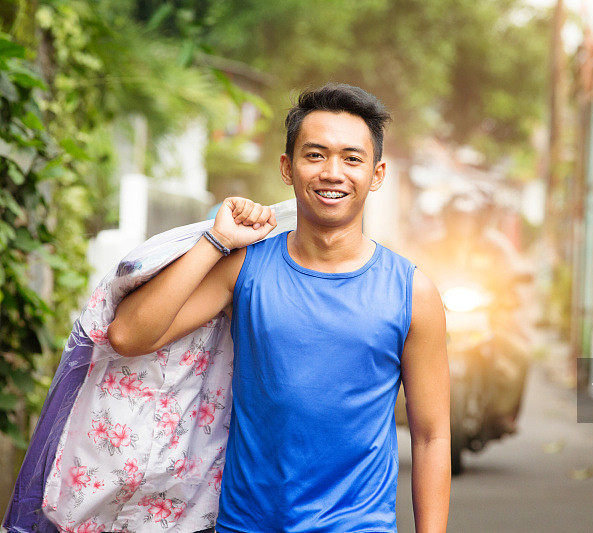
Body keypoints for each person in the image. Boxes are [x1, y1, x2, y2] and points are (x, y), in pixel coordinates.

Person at [106, 83, 451, 533]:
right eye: (315, 155)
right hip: (246, 525)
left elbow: (431, 436)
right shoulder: (245, 268)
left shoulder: (412, 293)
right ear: (288, 168)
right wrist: (216, 241)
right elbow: (127, 336)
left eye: (352, 158)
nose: (332, 172)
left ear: (377, 173)